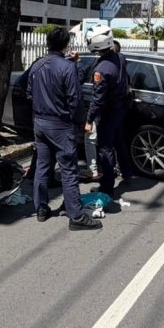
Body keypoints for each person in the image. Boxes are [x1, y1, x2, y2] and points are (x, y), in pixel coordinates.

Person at [26, 27, 101, 230]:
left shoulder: (38, 65)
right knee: (69, 169)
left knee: (43, 166)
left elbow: (29, 94)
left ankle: (41, 208)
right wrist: (80, 123)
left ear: (48, 43)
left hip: (40, 123)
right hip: (60, 125)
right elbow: (75, 101)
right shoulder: (67, 68)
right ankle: (76, 216)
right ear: (65, 44)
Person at [85, 26, 134, 197]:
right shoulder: (120, 57)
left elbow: (97, 99)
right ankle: (127, 173)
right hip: (121, 109)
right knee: (120, 142)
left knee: (105, 149)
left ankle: (107, 188)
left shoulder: (102, 69)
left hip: (108, 112)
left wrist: (89, 120)